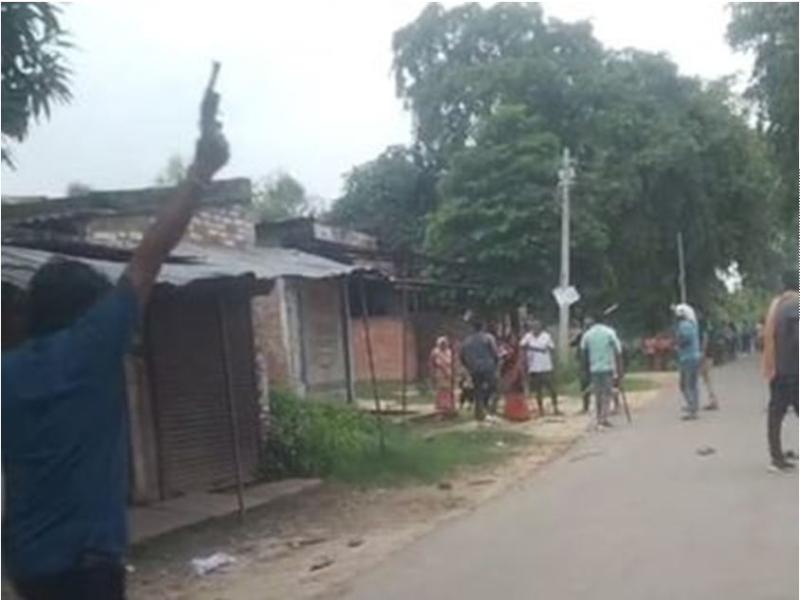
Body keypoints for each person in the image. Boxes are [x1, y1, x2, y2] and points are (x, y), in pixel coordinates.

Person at [2, 96, 230, 597]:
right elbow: (148, 257)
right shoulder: (91, 347)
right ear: (86, 311)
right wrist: (201, 172)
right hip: (88, 565)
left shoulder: (7, 374)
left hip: (27, 568)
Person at [761, 270, 798, 472]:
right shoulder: (795, 305)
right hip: (794, 370)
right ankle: (777, 458)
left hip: (778, 369)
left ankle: (776, 457)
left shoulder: (778, 306)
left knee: (775, 415)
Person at [580, 315, 623, 429]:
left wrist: (584, 369)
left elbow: (583, 352)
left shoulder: (587, 334)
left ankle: (599, 417)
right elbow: (618, 351)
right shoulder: (609, 332)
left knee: (597, 394)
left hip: (594, 368)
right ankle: (603, 418)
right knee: (607, 393)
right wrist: (620, 369)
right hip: (607, 367)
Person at [459, 319, 499, 422]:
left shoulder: (467, 341)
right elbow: (495, 353)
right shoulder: (488, 338)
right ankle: (490, 411)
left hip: (474, 369)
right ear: (483, 327)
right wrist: (496, 364)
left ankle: (479, 415)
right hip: (488, 367)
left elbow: (461, 356)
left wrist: (468, 366)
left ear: (473, 328)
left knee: (477, 391)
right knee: (494, 389)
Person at [520, 320, 561, 416]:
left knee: (552, 389)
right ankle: (541, 410)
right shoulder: (528, 336)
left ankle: (555, 408)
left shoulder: (546, 336)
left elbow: (552, 348)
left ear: (540, 328)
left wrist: (532, 348)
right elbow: (522, 345)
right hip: (534, 367)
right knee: (538, 390)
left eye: (537, 327)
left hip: (546, 367)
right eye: (533, 327)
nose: (535, 329)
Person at [673, 304, 702, 420]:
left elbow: (685, 339)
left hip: (687, 357)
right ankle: (694, 406)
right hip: (695, 356)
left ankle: (692, 408)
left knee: (685, 385)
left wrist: (677, 344)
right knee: (693, 384)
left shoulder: (683, 325)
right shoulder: (692, 324)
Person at [696, 307, 719, 410]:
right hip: (710, 352)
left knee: (705, 377)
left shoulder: (702, 324)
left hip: (706, 354)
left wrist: (702, 352)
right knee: (705, 377)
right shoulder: (710, 324)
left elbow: (705, 338)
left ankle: (712, 400)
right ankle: (711, 400)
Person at [428, 336, 456, 417]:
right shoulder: (435, 352)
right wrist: (433, 374)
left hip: (449, 372)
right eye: (442, 344)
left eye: (445, 343)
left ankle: (449, 407)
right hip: (439, 373)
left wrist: (452, 372)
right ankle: (440, 407)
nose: (444, 345)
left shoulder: (449, 351)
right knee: (441, 390)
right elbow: (434, 363)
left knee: (448, 390)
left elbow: (452, 362)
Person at [571, 319, 592, 414]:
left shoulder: (592, 335)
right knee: (584, 384)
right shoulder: (581, 335)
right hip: (584, 363)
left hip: (593, 361)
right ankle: (585, 406)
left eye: (588, 325)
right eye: (586, 325)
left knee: (599, 384)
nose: (587, 327)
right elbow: (572, 344)